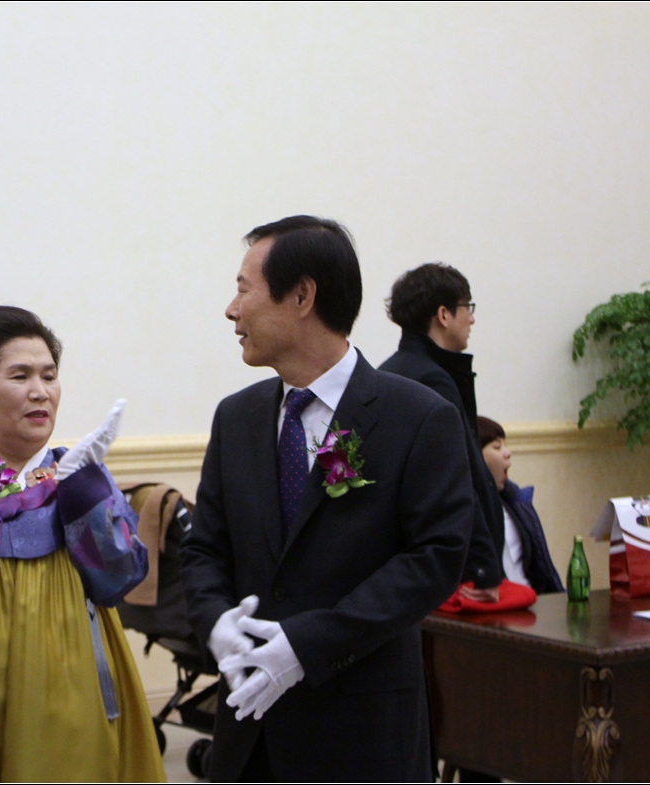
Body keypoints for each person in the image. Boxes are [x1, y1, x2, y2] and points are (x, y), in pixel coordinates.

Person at [179, 216, 472, 781]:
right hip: (251, 736)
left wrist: (305, 645)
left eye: (243, 289)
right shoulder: (237, 418)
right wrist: (215, 622)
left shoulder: (417, 417)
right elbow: (206, 549)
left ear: (302, 296)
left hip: (362, 734)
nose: (231, 310)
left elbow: (433, 559)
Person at [0, 306, 165, 783]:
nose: (40, 391)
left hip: (74, 670)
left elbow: (120, 580)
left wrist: (85, 489)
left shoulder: (76, 473)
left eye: (49, 376)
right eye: (19, 375)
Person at [379, 262, 505, 602]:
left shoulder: (389, 372)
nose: (472, 319)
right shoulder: (433, 380)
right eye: (467, 307)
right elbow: (460, 476)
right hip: (444, 571)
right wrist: (483, 568)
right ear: (444, 315)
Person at [478, 416, 565, 593]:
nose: (507, 452)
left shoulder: (516, 501)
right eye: (497, 447)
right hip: (496, 602)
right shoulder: (463, 511)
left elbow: (542, 568)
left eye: (505, 445)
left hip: (531, 598)